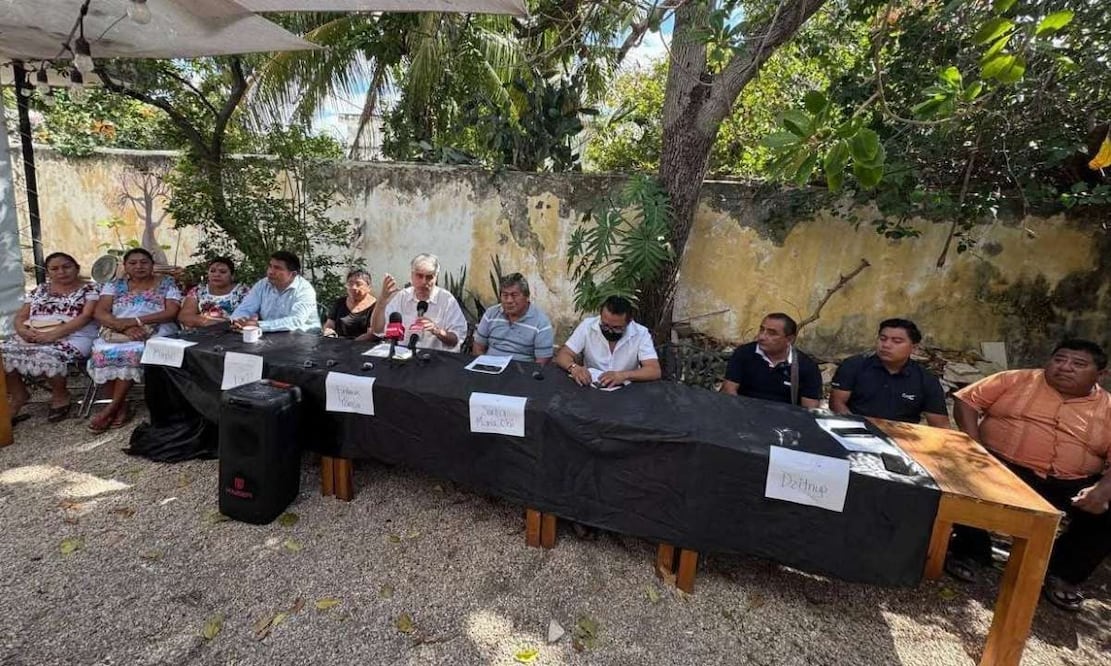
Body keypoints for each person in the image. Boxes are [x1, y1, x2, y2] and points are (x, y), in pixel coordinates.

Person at [945, 339, 1111, 611]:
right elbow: (966, 401)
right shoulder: (1016, 380)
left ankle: (1062, 574)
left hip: (1071, 482)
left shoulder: (1107, 407)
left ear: (1100, 374)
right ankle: (970, 550)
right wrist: (975, 447)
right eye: (1060, 359)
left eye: (1078, 364)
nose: (1065, 367)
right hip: (1002, 464)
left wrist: (1103, 490)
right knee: (958, 469)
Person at [87, 248, 182, 432]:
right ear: (125, 266)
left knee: (134, 352)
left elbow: (171, 312)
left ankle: (111, 408)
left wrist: (137, 321)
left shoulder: (167, 283)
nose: (139, 266)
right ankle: (121, 406)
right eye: (133, 263)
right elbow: (100, 312)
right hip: (118, 330)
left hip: (156, 328)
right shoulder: (114, 285)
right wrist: (125, 326)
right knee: (101, 353)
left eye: (144, 262)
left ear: (152, 266)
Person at [2, 252, 99, 423]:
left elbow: (86, 316)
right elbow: (20, 316)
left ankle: (61, 395)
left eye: (66, 267)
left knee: (48, 353)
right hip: (35, 332)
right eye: (55, 268)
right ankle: (19, 395)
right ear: (48, 272)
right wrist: (23, 331)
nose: (61, 271)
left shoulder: (90, 289)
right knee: (2, 352)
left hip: (75, 335)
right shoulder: (39, 289)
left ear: (76, 268)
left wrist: (52, 335)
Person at [829, 318, 950, 427]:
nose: (886, 345)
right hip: (856, 431)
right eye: (883, 339)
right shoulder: (854, 365)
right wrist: (857, 428)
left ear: (914, 348)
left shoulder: (926, 379)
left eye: (896, 341)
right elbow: (836, 404)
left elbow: (940, 425)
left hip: (901, 438)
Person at [364, 253, 467, 352]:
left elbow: (456, 340)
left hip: (436, 360)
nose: (424, 281)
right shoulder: (402, 297)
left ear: (436, 277)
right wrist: (382, 300)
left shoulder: (447, 300)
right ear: (412, 275)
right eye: (419, 276)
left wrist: (437, 331)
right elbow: (377, 330)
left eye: (429, 277)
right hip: (404, 357)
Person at [553, 295, 661, 387]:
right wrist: (574, 368)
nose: (609, 331)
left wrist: (623, 375)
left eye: (616, 328)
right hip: (591, 387)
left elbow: (654, 370)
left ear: (629, 322)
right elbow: (563, 355)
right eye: (605, 325)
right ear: (601, 316)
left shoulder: (640, 333)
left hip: (625, 391)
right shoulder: (588, 326)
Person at [719, 312, 821, 407]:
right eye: (761, 330)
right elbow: (729, 391)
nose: (762, 336)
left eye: (772, 333)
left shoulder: (806, 366)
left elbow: (809, 409)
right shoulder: (744, 353)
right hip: (744, 412)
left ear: (789, 339)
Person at [472, 273, 553, 364]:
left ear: (526, 297)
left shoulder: (541, 323)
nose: (509, 300)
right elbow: (478, 347)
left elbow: (542, 362)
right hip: (489, 369)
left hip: (522, 373)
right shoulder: (491, 314)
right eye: (505, 295)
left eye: (514, 295)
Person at [230, 251, 320, 333]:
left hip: (304, 338)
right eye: (270, 266)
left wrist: (259, 325)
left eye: (277, 268)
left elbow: (296, 321)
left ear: (293, 274)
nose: (270, 272)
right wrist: (238, 321)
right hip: (270, 336)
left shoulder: (305, 290)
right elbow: (245, 308)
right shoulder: (262, 284)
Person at [177, 257, 249, 331]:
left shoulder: (243, 291)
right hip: (202, 335)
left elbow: (248, 318)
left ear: (232, 276)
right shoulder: (198, 291)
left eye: (223, 272)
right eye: (212, 271)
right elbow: (185, 316)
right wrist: (210, 322)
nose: (217, 274)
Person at [323, 269, 376, 339]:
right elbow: (329, 324)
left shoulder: (375, 306)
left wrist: (351, 344)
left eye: (358, 284)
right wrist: (329, 332)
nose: (353, 287)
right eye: (350, 283)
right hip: (338, 344)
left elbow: (371, 334)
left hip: (363, 346)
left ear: (369, 287)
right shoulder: (340, 302)